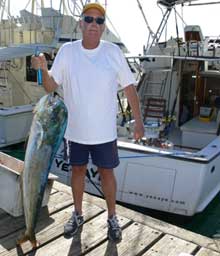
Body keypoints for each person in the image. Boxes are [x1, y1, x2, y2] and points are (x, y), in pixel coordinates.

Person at [31, 2, 144, 243]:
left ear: (103, 27)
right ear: (80, 23)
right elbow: (51, 86)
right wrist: (42, 69)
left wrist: (138, 122)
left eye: (99, 21)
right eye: (89, 19)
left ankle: (112, 217)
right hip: (75, 132)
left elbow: (130, 87)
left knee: (107, 174)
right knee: (77, 172)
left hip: (104, 133)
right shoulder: (67, 52)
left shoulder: (113, 52)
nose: (94, 24)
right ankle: (78, 213)